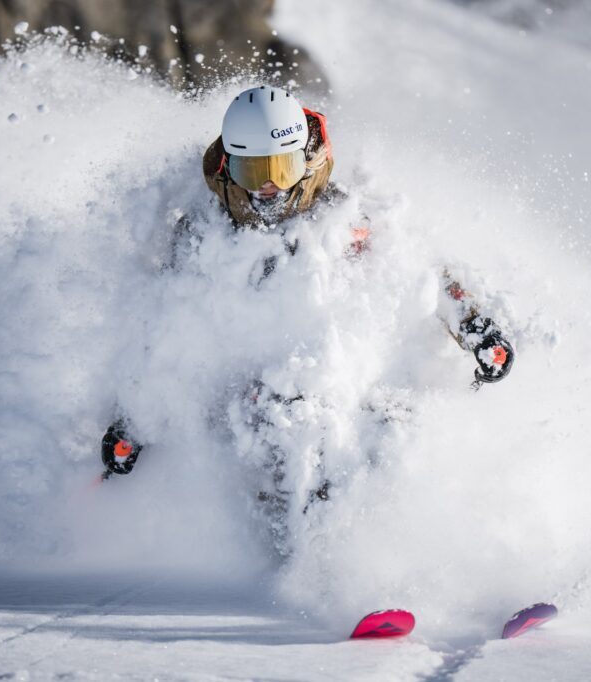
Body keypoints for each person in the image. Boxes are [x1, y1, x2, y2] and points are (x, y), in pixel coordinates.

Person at [100, 86, 514, 486]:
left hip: (344, 378)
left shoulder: (342, 217)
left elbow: (418, 268)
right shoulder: (205, 234)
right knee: (279, 421)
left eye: (282, 169)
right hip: (252, 395)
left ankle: (383, 515)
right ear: (228, 166)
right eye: (254, 171)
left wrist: (475, 327)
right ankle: (292, 534)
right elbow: (169, 323)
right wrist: (133, 421)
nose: (269, 186)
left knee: (389, 422)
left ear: (305, 160)